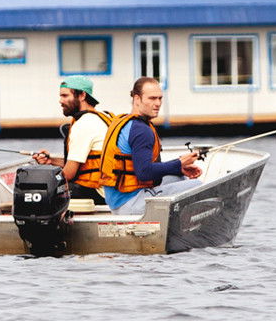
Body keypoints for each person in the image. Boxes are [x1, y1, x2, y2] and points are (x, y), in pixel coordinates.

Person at [96, 77, 203, 216]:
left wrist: (179, 168)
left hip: (117, 202)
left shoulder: (125, 122)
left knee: (179, 177)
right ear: (137, 99)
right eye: (152, 98)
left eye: (160, 98)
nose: (157, 103)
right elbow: (144, 172)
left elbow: (141, 169)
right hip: (129, 204)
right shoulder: (141, 130)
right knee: (197, 186)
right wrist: (179, 162)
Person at [31, 75, 113, 204]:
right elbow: (84, 164)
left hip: (99, 193)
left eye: (65, 96)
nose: (60, 100)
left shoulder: (84, 124)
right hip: (112, 190)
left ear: (82, 96)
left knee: (39, 193)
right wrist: (51, 161)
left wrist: (42, 182)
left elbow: (68, 175)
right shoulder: (102, 116)